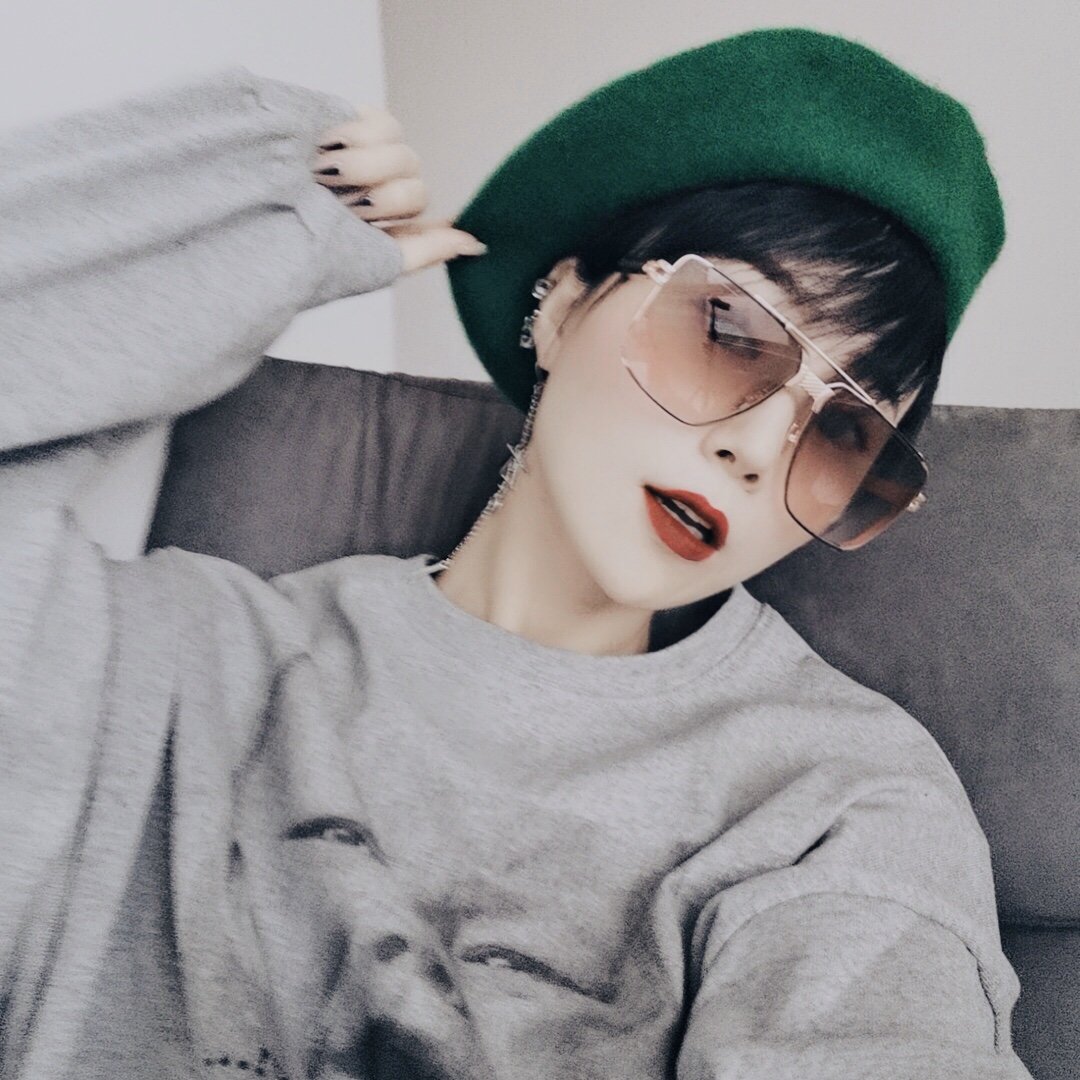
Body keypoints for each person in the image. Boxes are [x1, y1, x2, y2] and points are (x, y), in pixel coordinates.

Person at [0, 28, 1033, 1080]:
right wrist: (256, 198)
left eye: (845, 431)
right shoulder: (180, 658)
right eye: (727, 331)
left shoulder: (838, 790)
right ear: (564, 304)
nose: (760, 450)